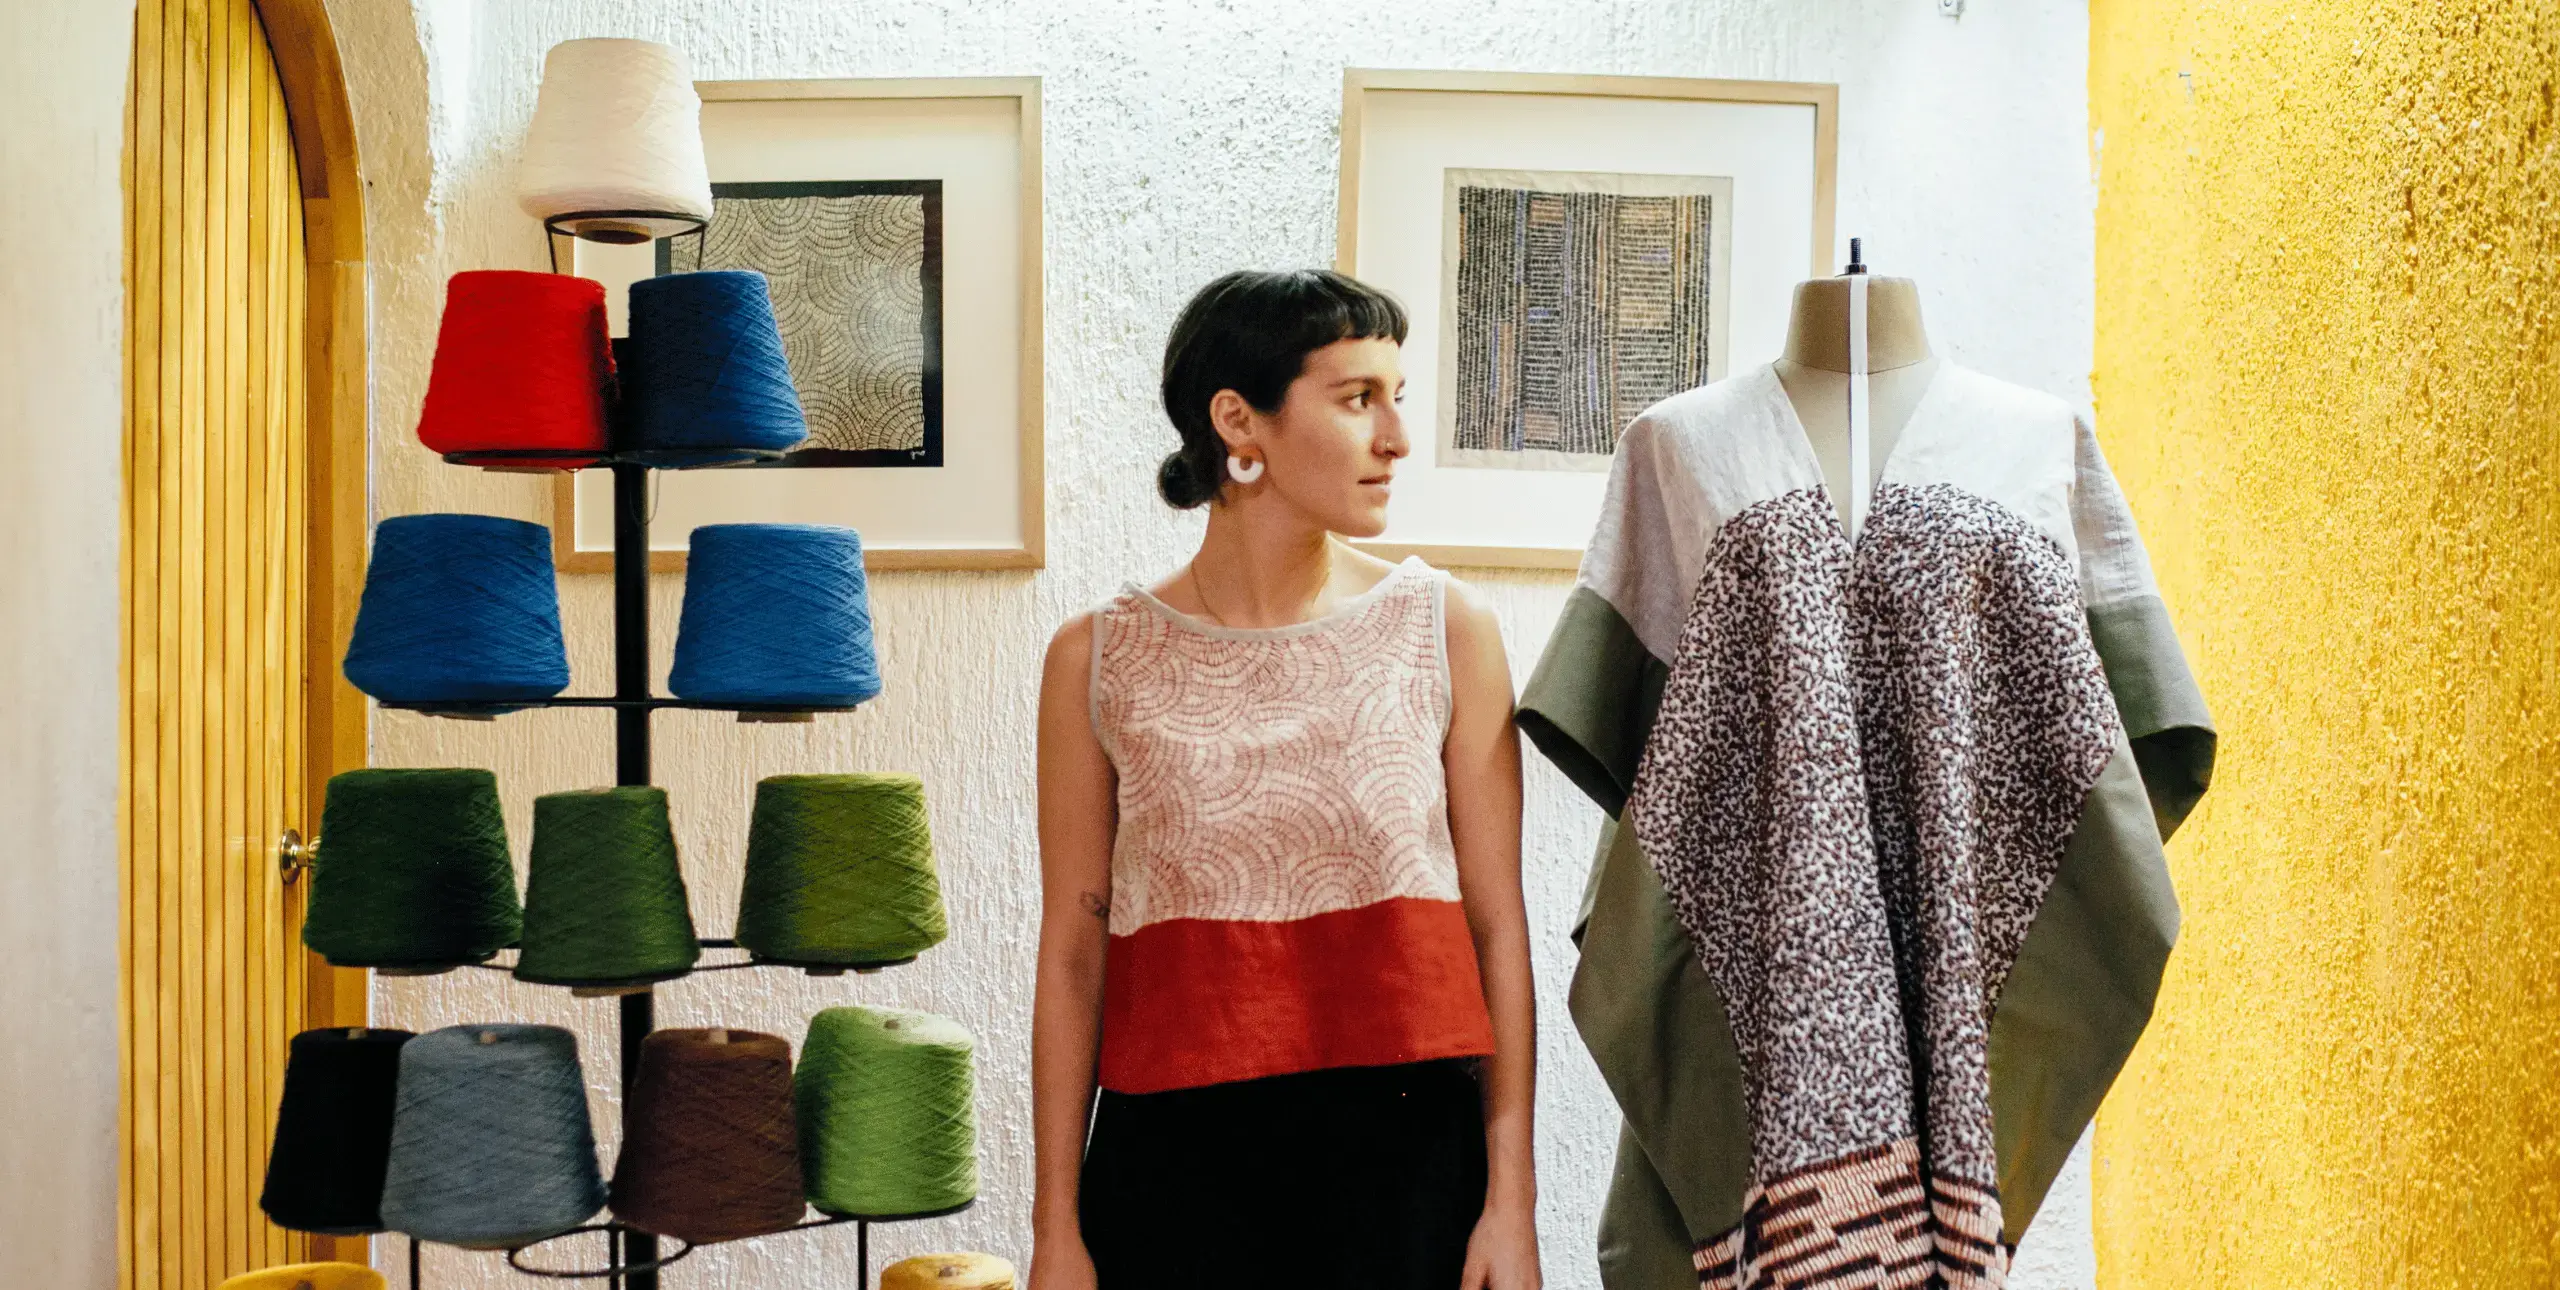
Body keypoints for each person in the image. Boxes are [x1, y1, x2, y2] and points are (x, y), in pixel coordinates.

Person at [1029, 270, 1541, 1290]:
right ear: (1238, 421)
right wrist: (1056, 1230)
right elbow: (1074, 954)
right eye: (1358, 398)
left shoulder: (1445, 631)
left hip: (1405, 1162)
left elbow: (1495, 929)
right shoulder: (1097, 658)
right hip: (1171, 1164)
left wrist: (1510, 1203)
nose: (1396, 437)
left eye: (1397, 398)